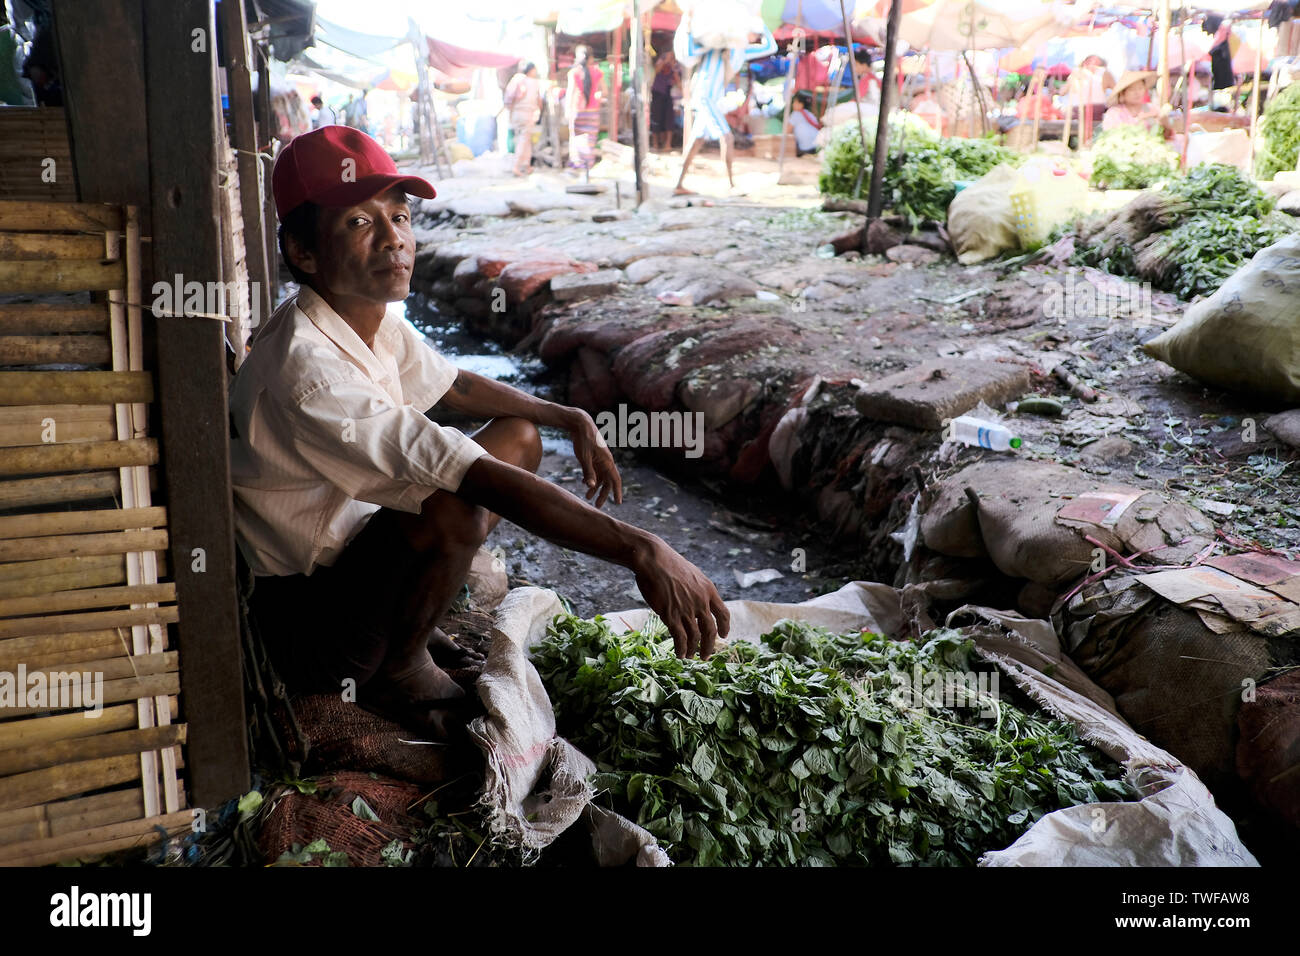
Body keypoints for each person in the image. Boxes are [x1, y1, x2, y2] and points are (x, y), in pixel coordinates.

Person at [231, 126, 730, 740]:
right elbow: (472, 475)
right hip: (312, 622)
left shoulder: (362, 316)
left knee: (519, 436)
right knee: (454, 506)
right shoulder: (308, 370)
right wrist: (641, 550)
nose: (394, 240)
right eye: (359, 223)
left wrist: (566, 416)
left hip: (354, 558)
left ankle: (413, 622)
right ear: (303, 251)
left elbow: (454, 388)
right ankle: (398, 668)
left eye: (400, 216)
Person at [673, 19, 777, 195]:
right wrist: (688, 24)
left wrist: (760, 22)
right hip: (705, 97)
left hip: (711, 99)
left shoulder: (741, 51)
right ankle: (730, 185)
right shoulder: (716, 47)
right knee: (727, 137)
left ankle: (679, 185)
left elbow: (770, 47)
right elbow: (690, 51)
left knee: (697, 141)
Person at [566, 45, 605, 172]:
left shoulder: (573, 73)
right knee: (590, 142)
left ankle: (578, 166)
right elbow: (604, 91)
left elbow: (570, 93)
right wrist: (598, 98)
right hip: (593, 113)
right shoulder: (598, 72)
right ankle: (588, 168)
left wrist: (567, 111)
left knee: (577, 140)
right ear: (591, 58)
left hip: (578, 111)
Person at [502, 62, 542, 177]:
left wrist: (510, 111)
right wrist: (538, 110)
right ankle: (517, 165)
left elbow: (508, 97)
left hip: (516, 113)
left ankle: (526, 165)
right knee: (524, 139)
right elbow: (538, 100)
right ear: (531, 70)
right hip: (527, 113)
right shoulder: (533, 82)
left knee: (524, 138)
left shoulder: (516, 79)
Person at [650, 51, 681, 151]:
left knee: (669, 119)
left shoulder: (675, 67)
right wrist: (664, 61)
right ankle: (655, 143)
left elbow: (677, 81)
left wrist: (672, 66)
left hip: (667, 93)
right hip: (657, 93)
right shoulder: (660, 63)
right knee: (656, 118)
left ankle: (667, 144)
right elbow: (656, 71)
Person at [788, 91, 821, 156]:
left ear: (801, 104)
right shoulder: (811, 115)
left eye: (795, 102)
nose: (793, 104)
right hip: (818, 146)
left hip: (807, 149)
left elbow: (787, 132)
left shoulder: (795, 114)